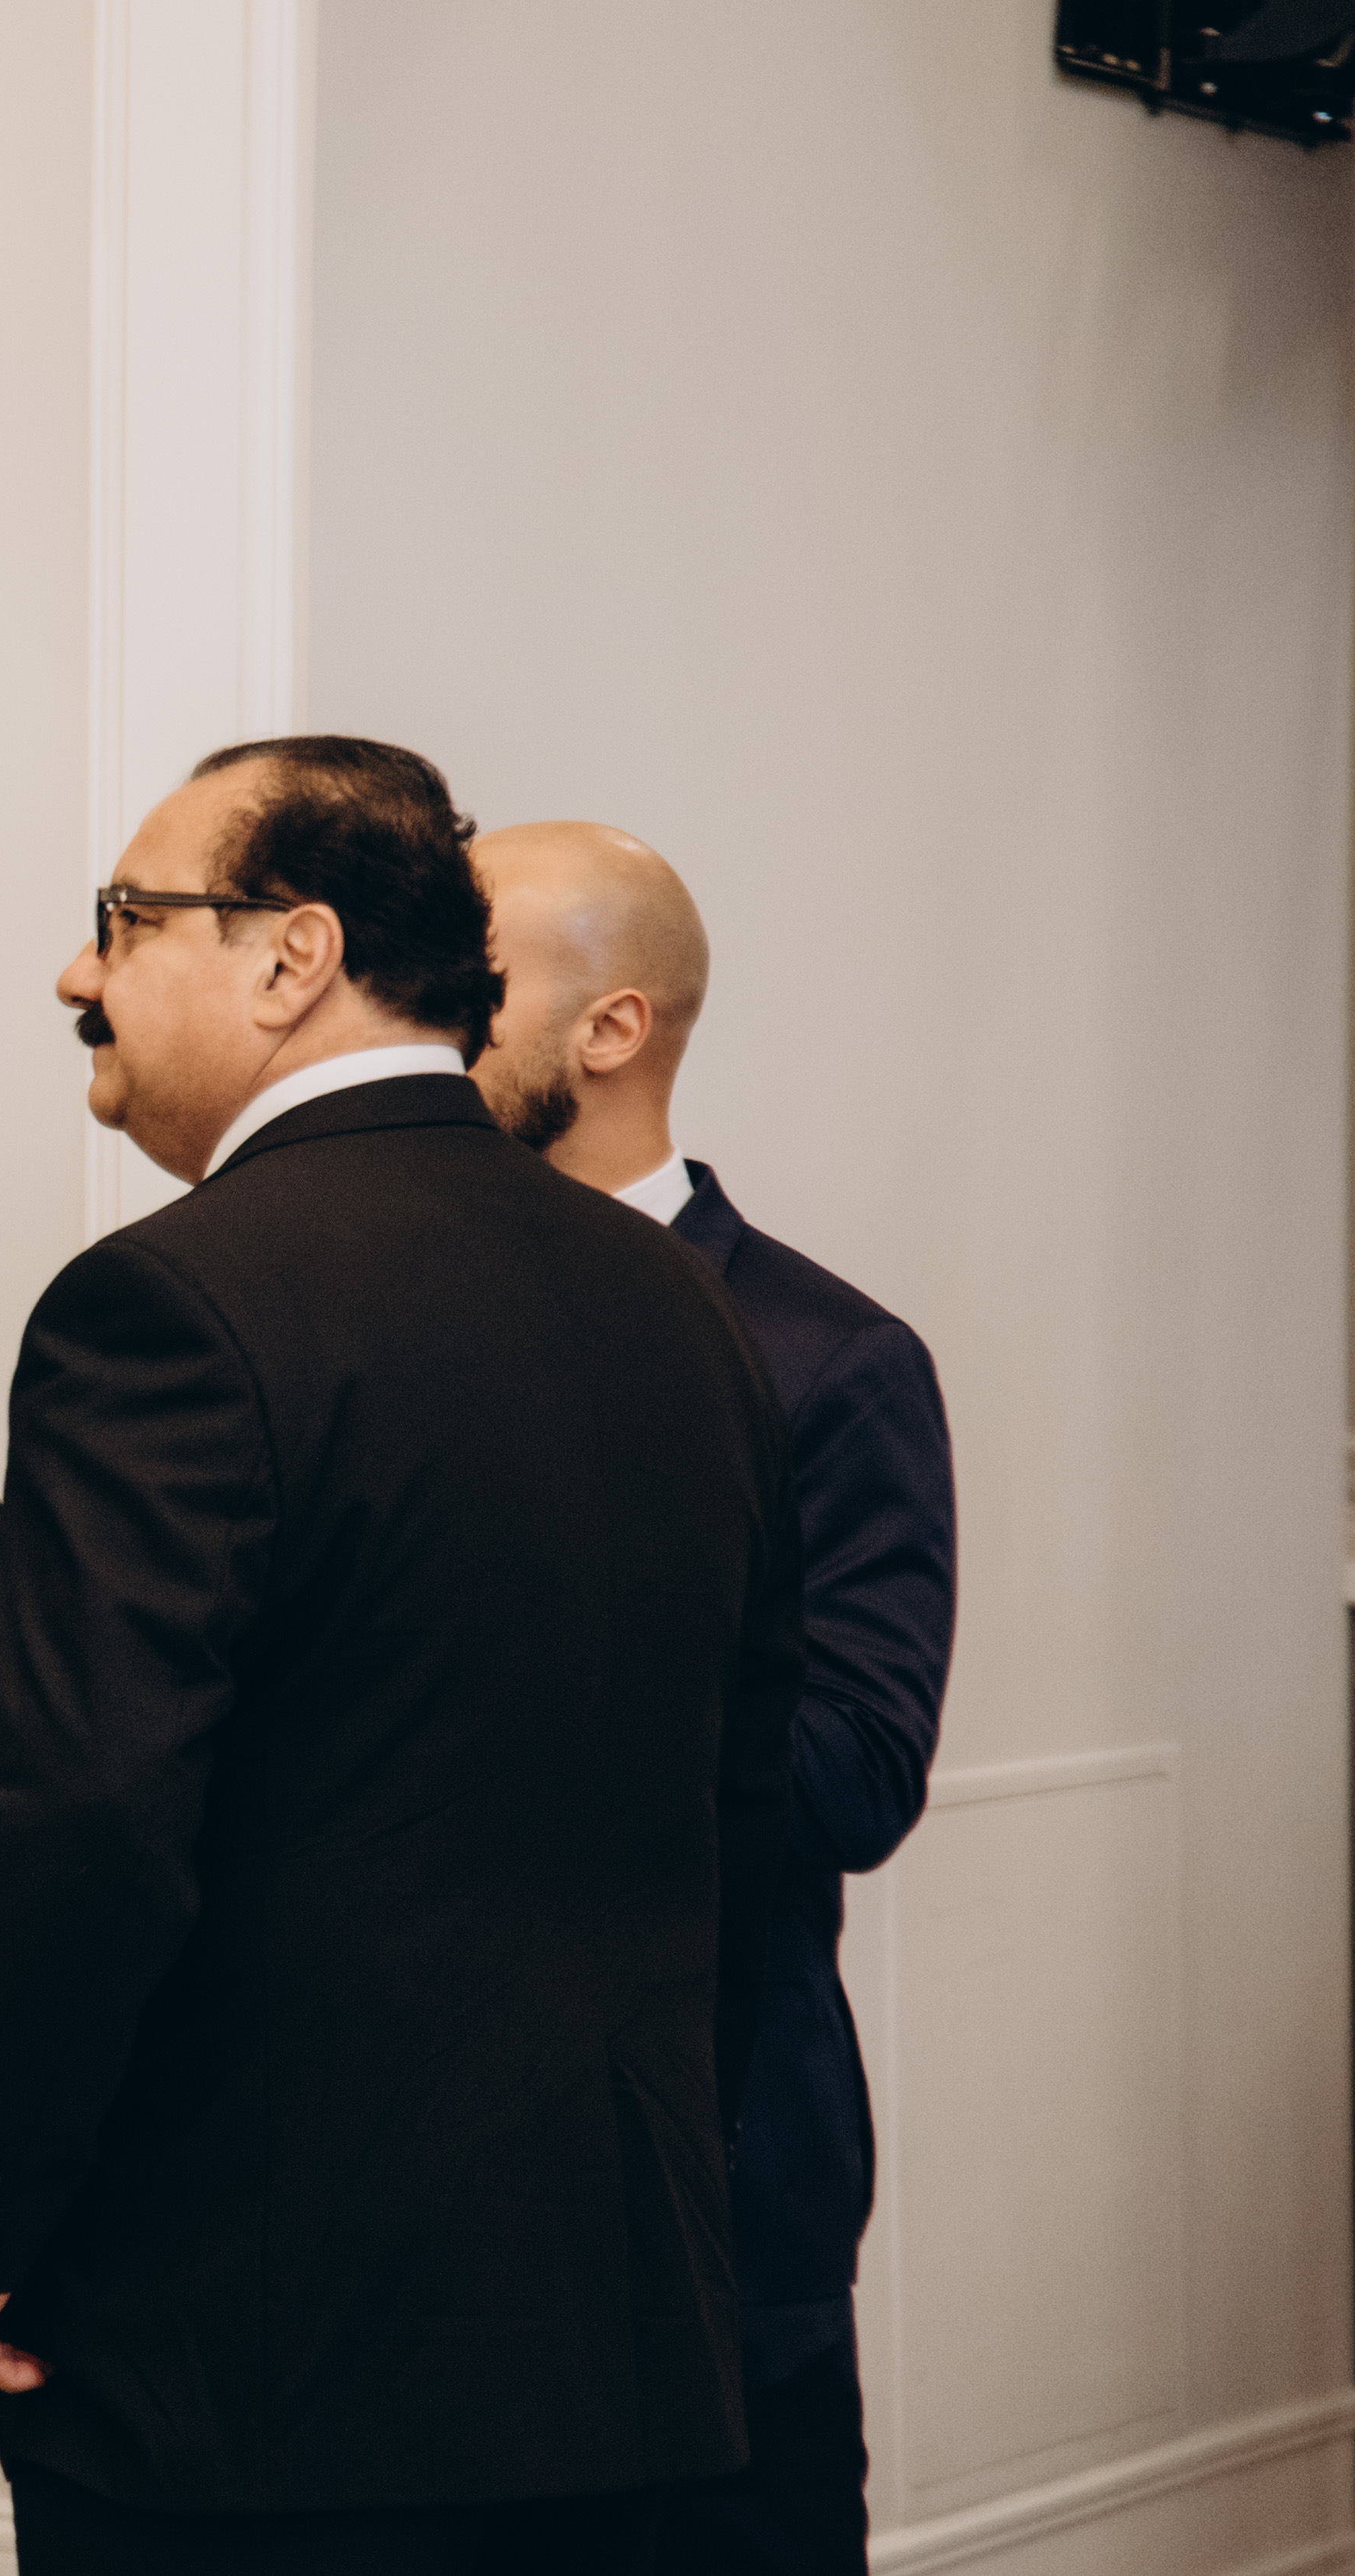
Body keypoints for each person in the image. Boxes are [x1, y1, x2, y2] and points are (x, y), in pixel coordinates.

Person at [0, 736, 805, 2572]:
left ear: (290, 956)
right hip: (611, 2332)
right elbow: (745, 1805)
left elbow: (84, 1819)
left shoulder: (165, 1305)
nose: (79, 972)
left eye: (123, 921)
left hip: (255, 2359)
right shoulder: (679, 1303)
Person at [471, 819, 955, 2575]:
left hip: (708, 2179)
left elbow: (853, 1773)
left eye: (473, 975)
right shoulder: (374, 1324)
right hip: (408, 2210)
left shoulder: (829, 1358)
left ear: (609, 1029)